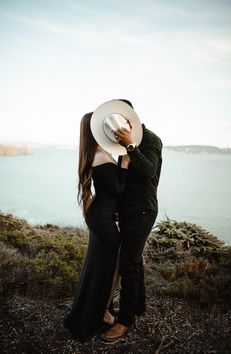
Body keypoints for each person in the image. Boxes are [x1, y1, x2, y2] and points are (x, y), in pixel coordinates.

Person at [63, 112, 129, 343]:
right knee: (109, 266)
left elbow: (111, 189)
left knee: (98, 266)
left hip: (99, 216)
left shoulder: (95, 153)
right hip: (102, 219)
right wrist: (126, 163)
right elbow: (117, 189)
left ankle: (94, 311)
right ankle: (99, 313)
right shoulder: (100, 155)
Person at [101, 99, 163, 342]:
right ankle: (138, 306)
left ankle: (125, 321)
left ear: (130, 119)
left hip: (143, 210)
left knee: (128, 263)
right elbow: (124, 180)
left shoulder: (150, 139)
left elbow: (148, 171)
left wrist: (131, 146)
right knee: (133, 261)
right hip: (129, 210)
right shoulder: (121, 145)